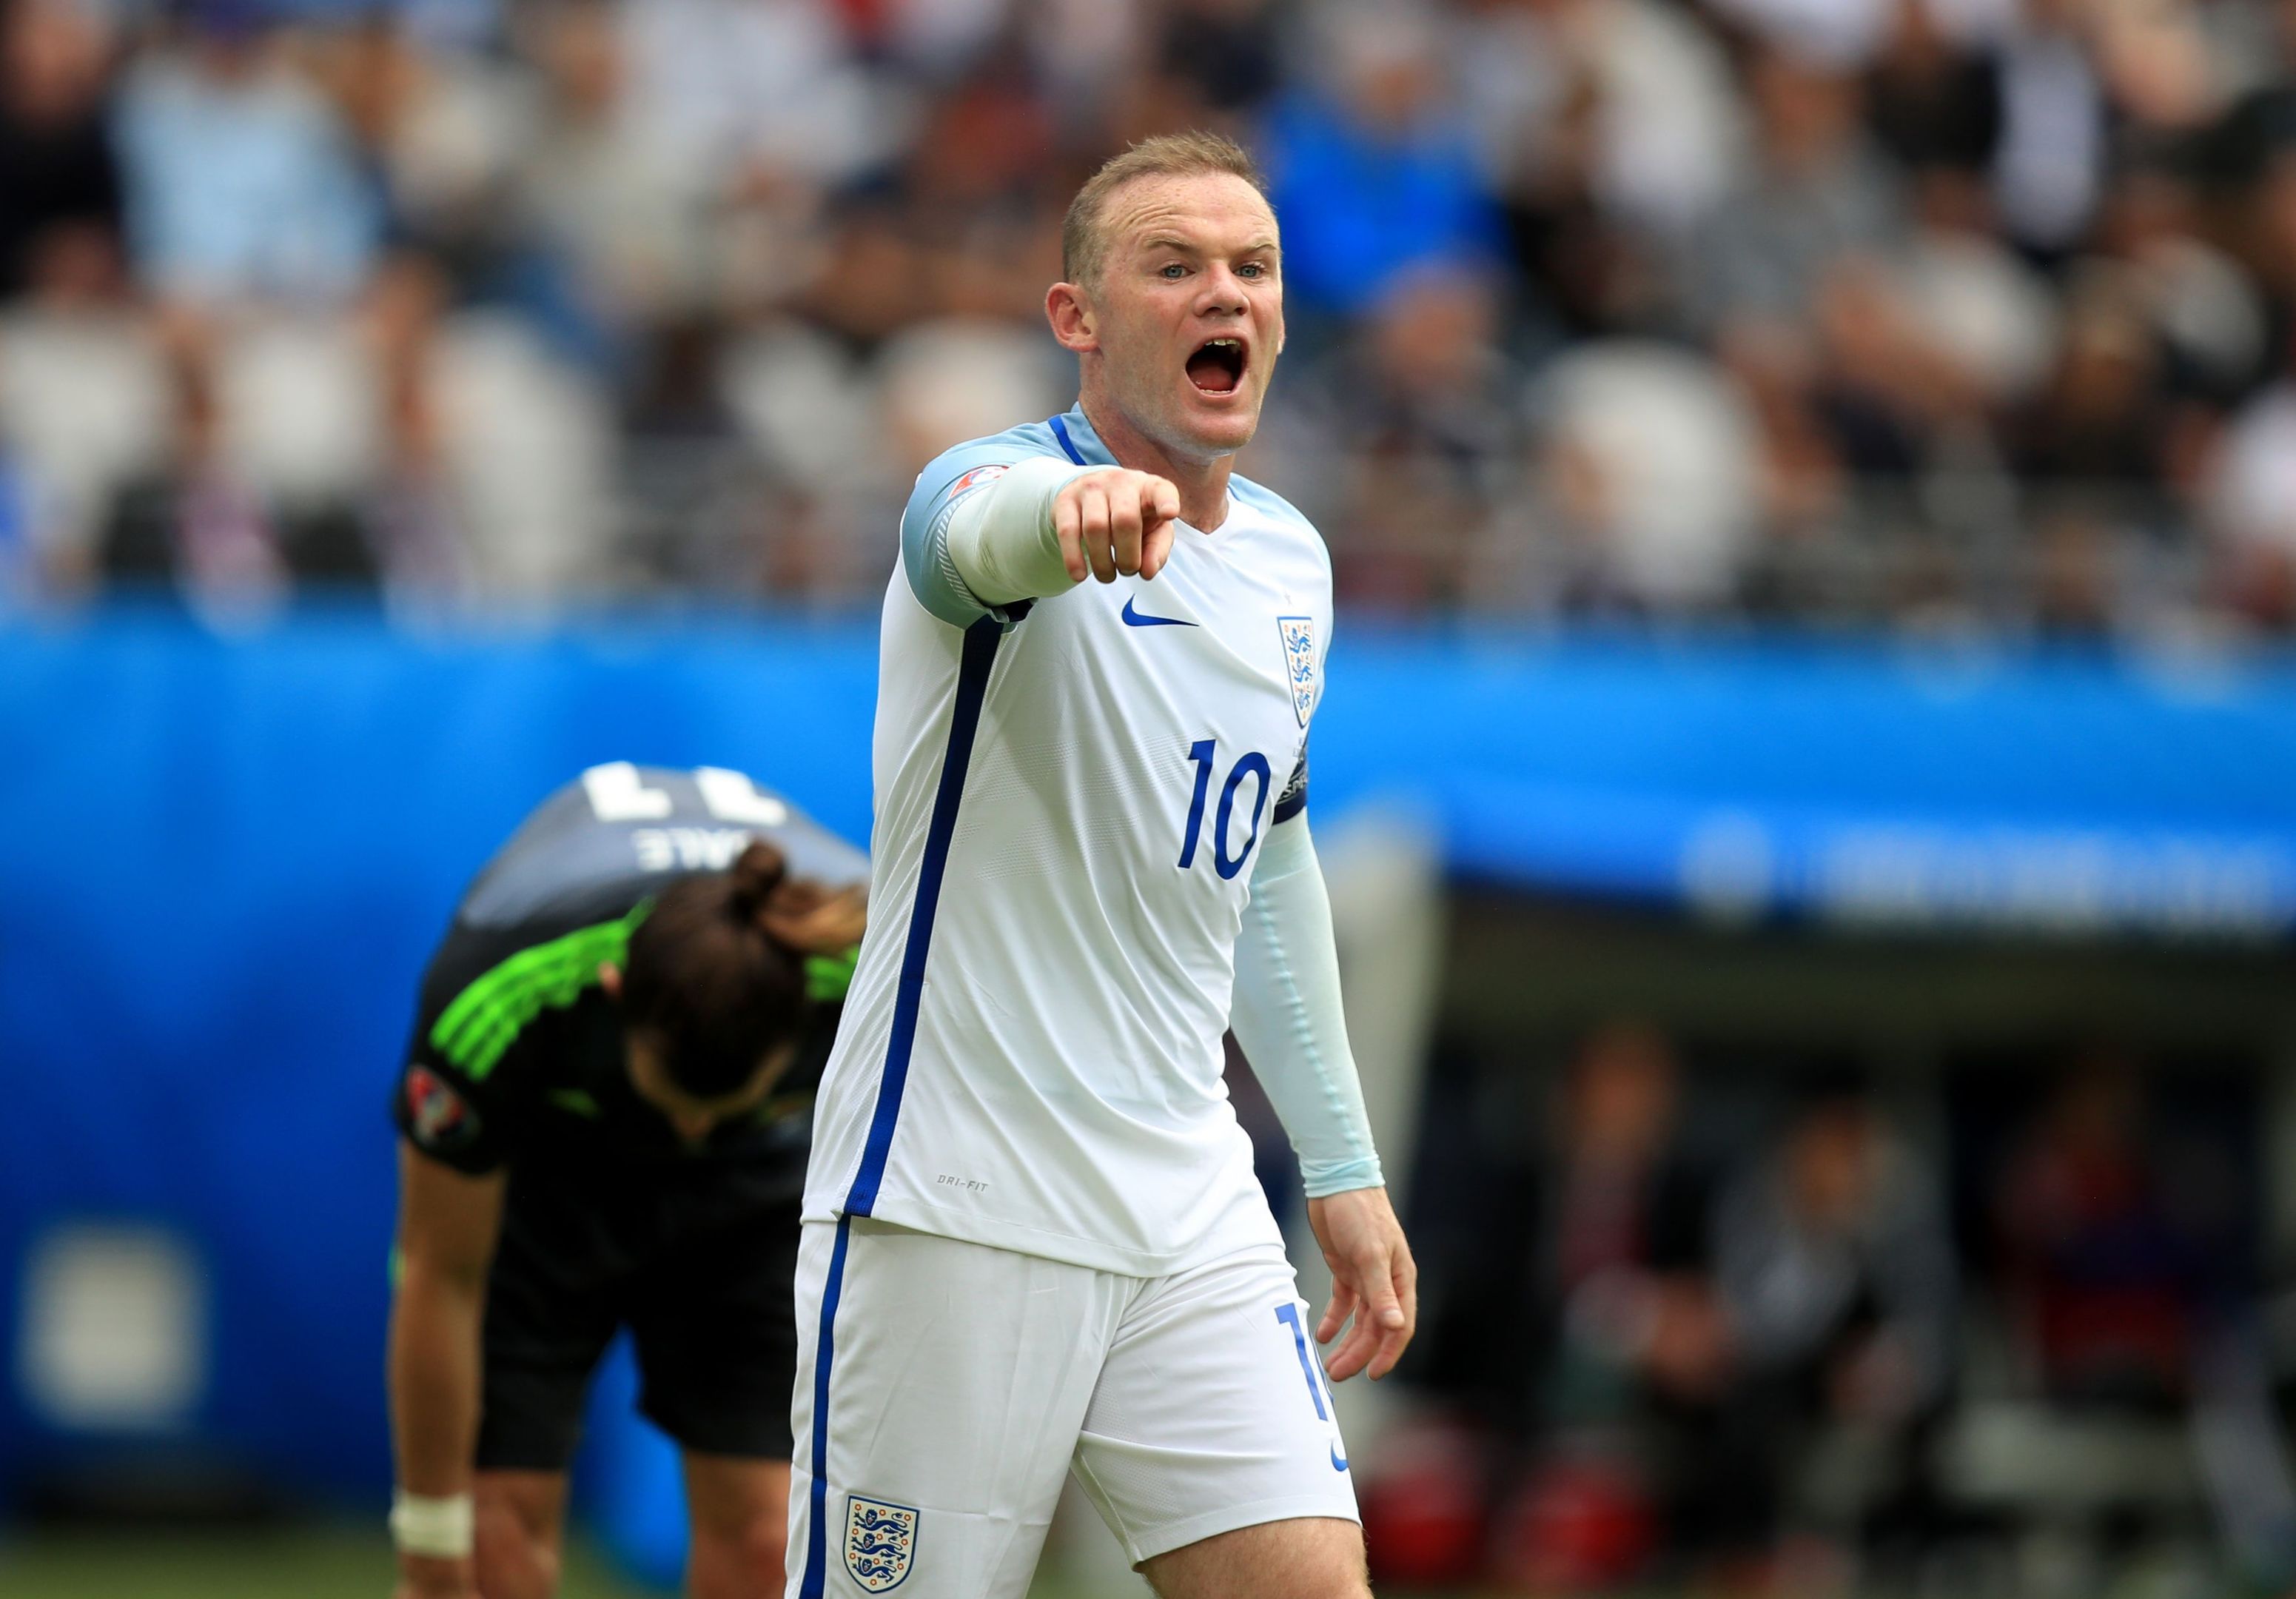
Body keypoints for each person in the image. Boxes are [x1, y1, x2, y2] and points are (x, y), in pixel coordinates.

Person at [788, 130, 1415, 1599]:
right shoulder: (1000, 489)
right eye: (1176, 264)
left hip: (1186, 1194)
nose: (1228, 295)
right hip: (955, 1194)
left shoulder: (1288, 562)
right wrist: (1062, 524)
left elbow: (1264, 865)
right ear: (1077, 318)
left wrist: (1340, 1164)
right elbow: (962, 544)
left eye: (1252, 267)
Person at [388, 762, 867, 1599]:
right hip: (548, 1172)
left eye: (718, 1105)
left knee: (767, 1541)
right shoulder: (498, 992)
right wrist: (429, 1535)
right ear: (614, 997)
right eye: (677, 1099)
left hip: (752, 1184)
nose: (688, 1131)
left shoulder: (876, 968)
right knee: (491, 1537)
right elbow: (440, 1273)